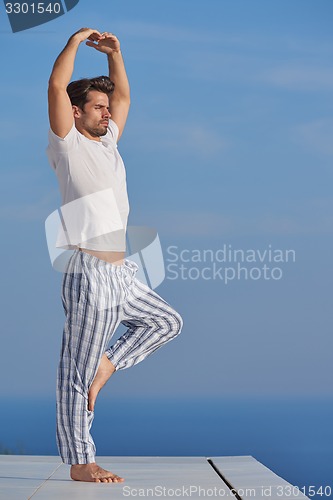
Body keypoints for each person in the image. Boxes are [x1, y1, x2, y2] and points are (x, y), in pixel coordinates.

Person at [47, 27, 183, 483]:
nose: (107, 113)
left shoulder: (107, 141)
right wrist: (73, 43)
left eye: (107, 109)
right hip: (87, 271)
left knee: (166, 321)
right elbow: (54, 87)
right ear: (75, 111)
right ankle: (80, 463)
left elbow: (122, 96)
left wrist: (115, 56)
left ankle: (110, 362)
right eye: (97, 107)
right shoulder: (67, 145)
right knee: (76, 372)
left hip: (122, 271)